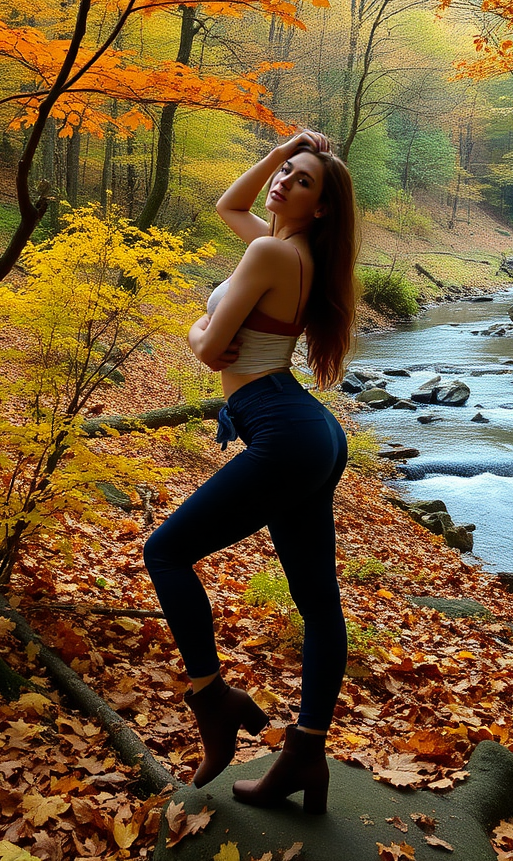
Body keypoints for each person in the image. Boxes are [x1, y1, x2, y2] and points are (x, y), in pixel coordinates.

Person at [143, 130, 359, 815]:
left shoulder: (271, 251)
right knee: (319, 603)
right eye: (285, 174)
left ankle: (213, 699)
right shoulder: (286, 247)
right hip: (308, 428)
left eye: (301, 181)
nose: (282, 184)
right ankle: (305, 755)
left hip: (281, 425)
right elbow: (225, 205)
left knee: (166, 551)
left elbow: (209, 353)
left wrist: (194, 328)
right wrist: (280, 153)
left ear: (321, 207)